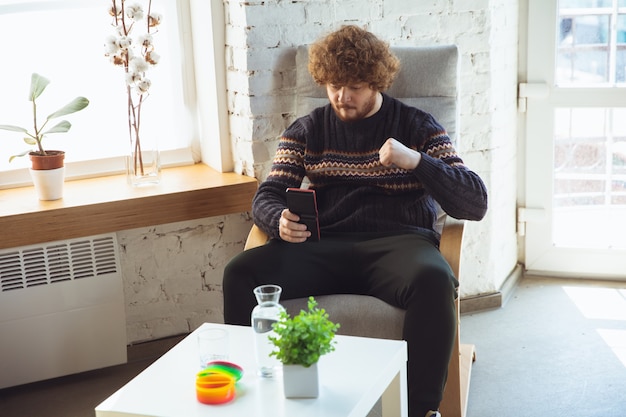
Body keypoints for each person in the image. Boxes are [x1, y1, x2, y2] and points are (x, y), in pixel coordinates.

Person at [223, 25, 488, 417]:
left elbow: (474, 200)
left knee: (434, 279)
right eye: (333, 86)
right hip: (322, 245)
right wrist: (277, 219)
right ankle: (259, 394)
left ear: (377, 82)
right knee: (241, 272)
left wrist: (416, 161)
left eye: (355, 87)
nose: (342, 97)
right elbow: (269, 192)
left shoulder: (418, 126)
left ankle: (420, 411)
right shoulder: (308, 129)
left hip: (398, 245)